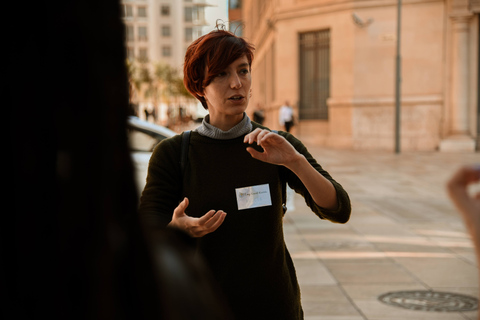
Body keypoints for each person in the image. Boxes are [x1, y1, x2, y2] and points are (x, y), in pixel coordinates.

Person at [139, 28, 351, 320]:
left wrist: (294, 161)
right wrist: (178, 229)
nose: (237, 83)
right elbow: (146, 237)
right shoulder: (174, 153)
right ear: (200, 87)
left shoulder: (275, 145)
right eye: (221, 75)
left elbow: (338, 208)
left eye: (243, 71)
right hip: (203, 306)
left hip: (274, 306)